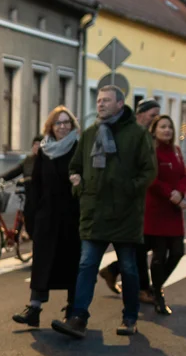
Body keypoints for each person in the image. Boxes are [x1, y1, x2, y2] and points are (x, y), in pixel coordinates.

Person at [51, 86, 157, 339]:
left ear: (120, 104)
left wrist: (129, 190)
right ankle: (78, 318)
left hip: (125, 214)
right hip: (94, 212)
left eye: (106, 100)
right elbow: (75, 166)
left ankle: (130, 317)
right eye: (98, 100)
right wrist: (79, 184)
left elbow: (149, 171)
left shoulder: (137, 134)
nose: (100, 104)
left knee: (129, 269)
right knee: (87, 265)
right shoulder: (89, 134)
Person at [12, 107, 82, 327]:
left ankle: (72, 309)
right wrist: (31, 217)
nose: (62, 127)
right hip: (47, 215)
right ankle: (34, 309)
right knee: (41, 262)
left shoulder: (78, 148)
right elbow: (37, 184)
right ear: (50, 127)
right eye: (57, 123)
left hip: (72, 215)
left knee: (71, 262)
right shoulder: (44, 151)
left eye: (66, 123)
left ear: (72, 125)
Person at [97, 98, 161, 299]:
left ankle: (115, 271)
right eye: (153, 115)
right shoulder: (130, 133)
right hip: (131, 198)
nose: (155, 120)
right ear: (140, 114)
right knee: (138, 244)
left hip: (143, 196)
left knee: (142, 243)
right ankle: (140, 288)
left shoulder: (150, 136)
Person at [145, 115, 186, 316]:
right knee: (159, 255)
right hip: (156, 211)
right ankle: (158, 296)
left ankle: (156, 285)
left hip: (173, 212)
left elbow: (183, 175)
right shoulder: (152, 152)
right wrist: (172, 194)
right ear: (155, 130)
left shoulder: (177, 151)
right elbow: (152, 179)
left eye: (170, 126)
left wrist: (180, 191)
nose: (167, 130)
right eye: (162, 127)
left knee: (178, 251)